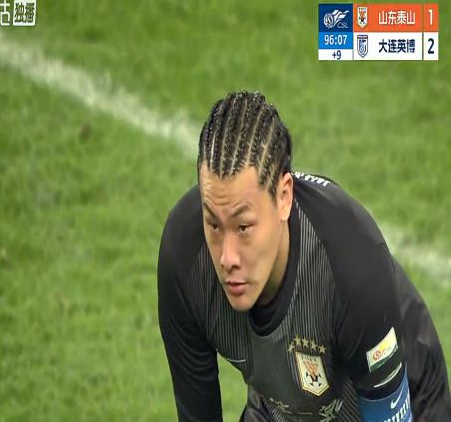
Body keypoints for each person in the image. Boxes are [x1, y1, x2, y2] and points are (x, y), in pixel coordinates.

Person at [157, 91, 450, 421]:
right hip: (284, 405)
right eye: (213, 224)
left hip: (401, 396)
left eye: (243, 227)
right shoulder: (185, 262)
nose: (227, 258)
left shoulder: (352, 269)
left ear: (283, 197)